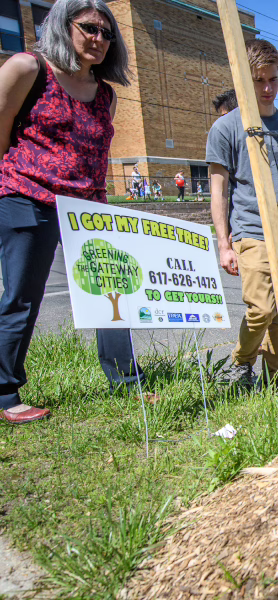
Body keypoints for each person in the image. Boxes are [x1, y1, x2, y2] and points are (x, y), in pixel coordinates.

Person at [0, 0, 143, 423]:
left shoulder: (106, 95)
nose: (99, 39)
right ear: (64, 26)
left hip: (89, 211)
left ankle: (126, 381)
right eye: (90, 28)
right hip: (29, 198)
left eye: (107, 33)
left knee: (113, 295)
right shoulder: (28, 69)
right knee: (23, 296)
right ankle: (5, 395)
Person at [207, 39, 278, 389]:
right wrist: (224, 244)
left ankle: (274, 380)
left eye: (274, 79)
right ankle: (239, 364)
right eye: (259, 80)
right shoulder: (226, 127)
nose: (268, 87)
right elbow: (218, 191)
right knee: (260, 309)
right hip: (251, 232)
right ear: (245, 78)